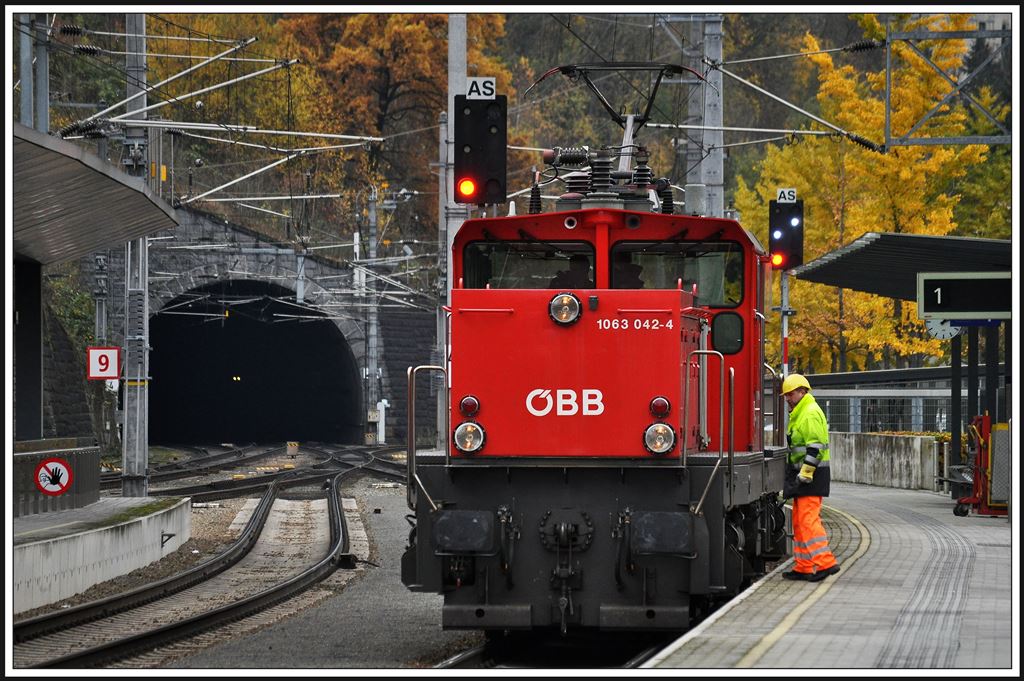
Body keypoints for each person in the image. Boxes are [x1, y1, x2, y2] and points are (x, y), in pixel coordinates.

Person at [780, 373, 840, 582]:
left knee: (808, 521)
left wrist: (805, 474)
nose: (788, 398)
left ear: (803, 392)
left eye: (791, 394)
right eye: (786, 394)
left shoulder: (810, 413)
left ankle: (826, 562)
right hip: (804, 476)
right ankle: (804, 566)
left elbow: (815, 447)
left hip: (811, 477)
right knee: (799, 521)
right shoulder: (802, 412)